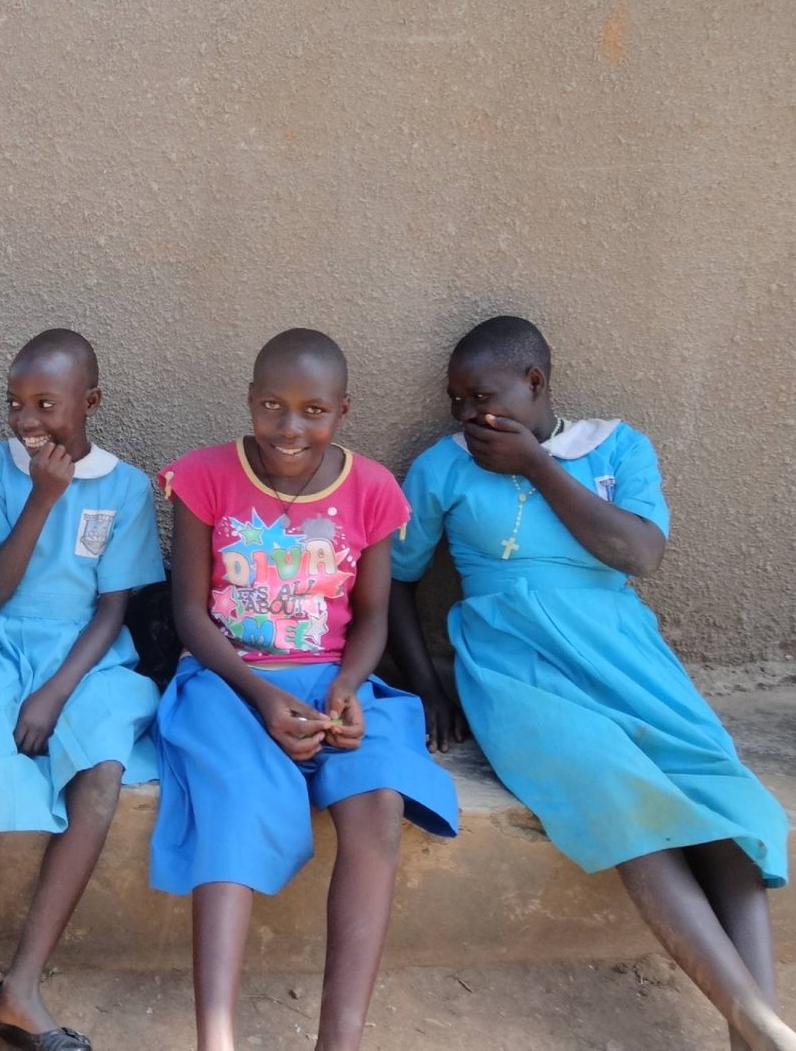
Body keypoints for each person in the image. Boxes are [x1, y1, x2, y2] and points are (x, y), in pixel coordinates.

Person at [387, 315, 796, 1051]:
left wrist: (538, 467)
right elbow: (391, 578)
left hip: (625, 654)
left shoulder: (616, 449)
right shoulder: (442, 468)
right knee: (616, 790)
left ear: (534, 383)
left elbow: (639, 554)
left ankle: (754, 1028)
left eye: (477, 395)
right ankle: (757, 1022)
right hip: (515, 663)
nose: (463, 414)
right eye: (455, 400)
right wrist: (428, 687)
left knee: (725, 796)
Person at [152, 329, 458, 1051]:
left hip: (336, 680)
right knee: (234, 799)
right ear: (250, 401)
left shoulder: (374, 491)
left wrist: (349, 688)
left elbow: (376, 615)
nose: (291, 428)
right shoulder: (204, 478)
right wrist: (259, 696)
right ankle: (216, 1039)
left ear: (342, 411)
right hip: (229, 681)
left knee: (377, 800)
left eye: (313, 410)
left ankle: (338, 1042)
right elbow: (190, 612)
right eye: (272, 406)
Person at [0, 330, 164, 1051]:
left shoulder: (127, 487)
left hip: (86, 653)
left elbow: (113, 610)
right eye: (15, 403)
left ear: (91, 403)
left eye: (46, 404)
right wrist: (44, 500)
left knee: (100, 769)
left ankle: (19, 989)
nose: (26, 421)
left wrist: (53, 694)